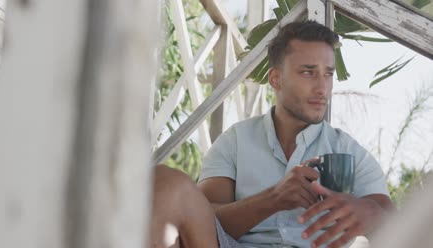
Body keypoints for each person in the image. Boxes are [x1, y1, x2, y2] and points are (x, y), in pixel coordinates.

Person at [150, 20, 393, 248]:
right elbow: (205, 221)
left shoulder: (348, 151)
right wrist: (273, 199)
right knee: (166, 181)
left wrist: (371, 213)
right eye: (308, 72)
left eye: (328, 74)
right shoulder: (235, 141)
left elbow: (391, 219)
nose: (322, 88)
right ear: (276, 79)